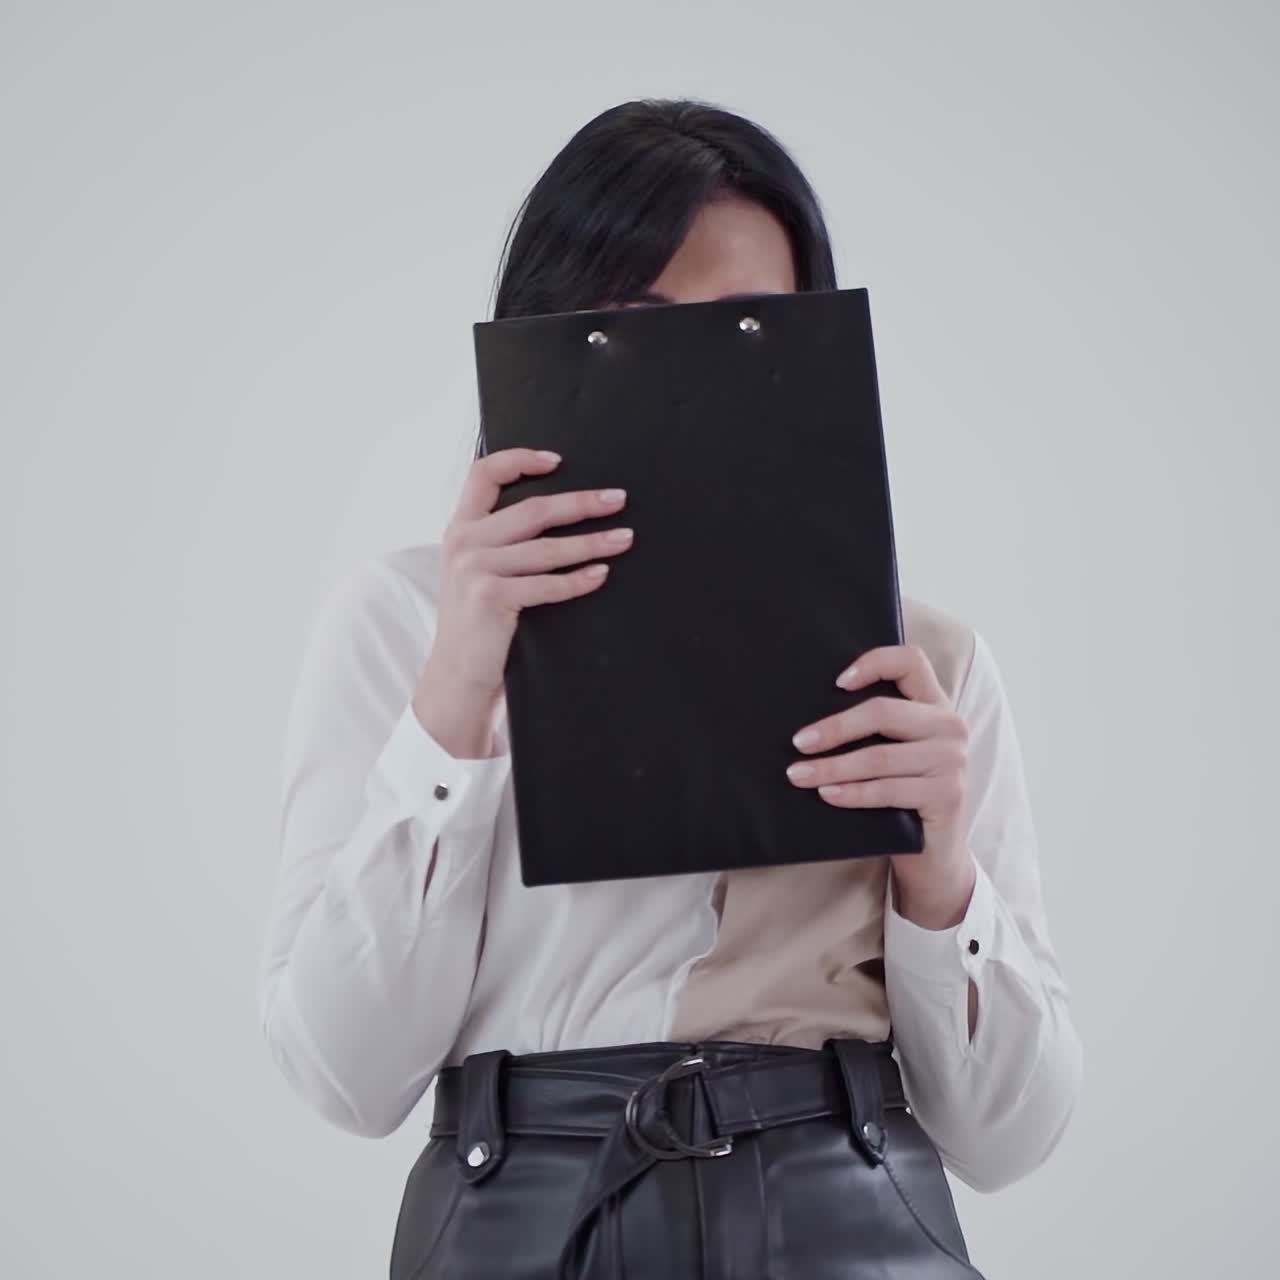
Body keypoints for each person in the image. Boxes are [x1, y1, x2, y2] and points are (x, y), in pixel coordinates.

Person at [258, 99, 1083, 1279]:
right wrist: (453, 702)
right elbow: (345, 1073)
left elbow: (1011, 1134)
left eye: (746, 327)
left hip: (845, 1212)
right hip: (522, 1216)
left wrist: (939, 869)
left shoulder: (921, 667)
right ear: (544, 333)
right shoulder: (400, 626)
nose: (690, 380)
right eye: (634, 326)